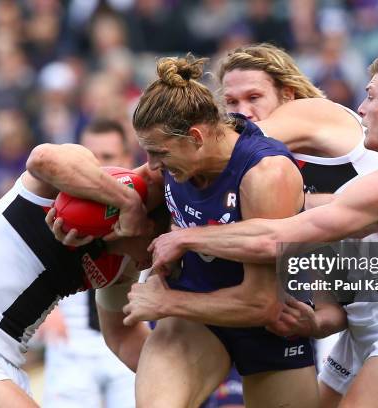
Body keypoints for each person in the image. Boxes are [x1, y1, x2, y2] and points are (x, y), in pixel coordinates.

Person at [148, 51, 378, 408]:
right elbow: (339, 254)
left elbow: (275, 239)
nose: (360, 108)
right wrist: (317, 318)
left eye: (371, 97)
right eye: (230, 101)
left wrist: (184, 236)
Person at [209, 43, 378, 408]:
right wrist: (311, 324)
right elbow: (332, 309)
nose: (242, 112)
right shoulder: (266, 178)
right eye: (230, 103)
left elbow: (216, 151)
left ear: (288, 95)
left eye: (254, 97)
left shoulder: (315, 116)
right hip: (360, 330)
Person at [91, 54, 323, 408]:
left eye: (158, 153)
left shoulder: (266, 174)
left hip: (270, 325)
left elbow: (262, 304)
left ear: (196, 137)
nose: (152, 166)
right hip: (194, 321)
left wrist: (166, 301)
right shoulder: (171, 163)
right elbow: (86, 181)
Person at [0, 119, 152, 407]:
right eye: (162, 239)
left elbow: (124, 339)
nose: (156, 259)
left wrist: (196, 384)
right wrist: (128, 204)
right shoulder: (62, 184)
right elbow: (41, 158)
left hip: (0, 366)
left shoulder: (121, 264)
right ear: (148, 221)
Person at [38, 119, 137, 408]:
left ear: (127, 159)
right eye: (88, 157)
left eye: (107, 157)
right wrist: (47, 311)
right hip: (72, 338)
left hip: (129, 331)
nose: (96, 166)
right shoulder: (56, 204)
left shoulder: (146, 207)